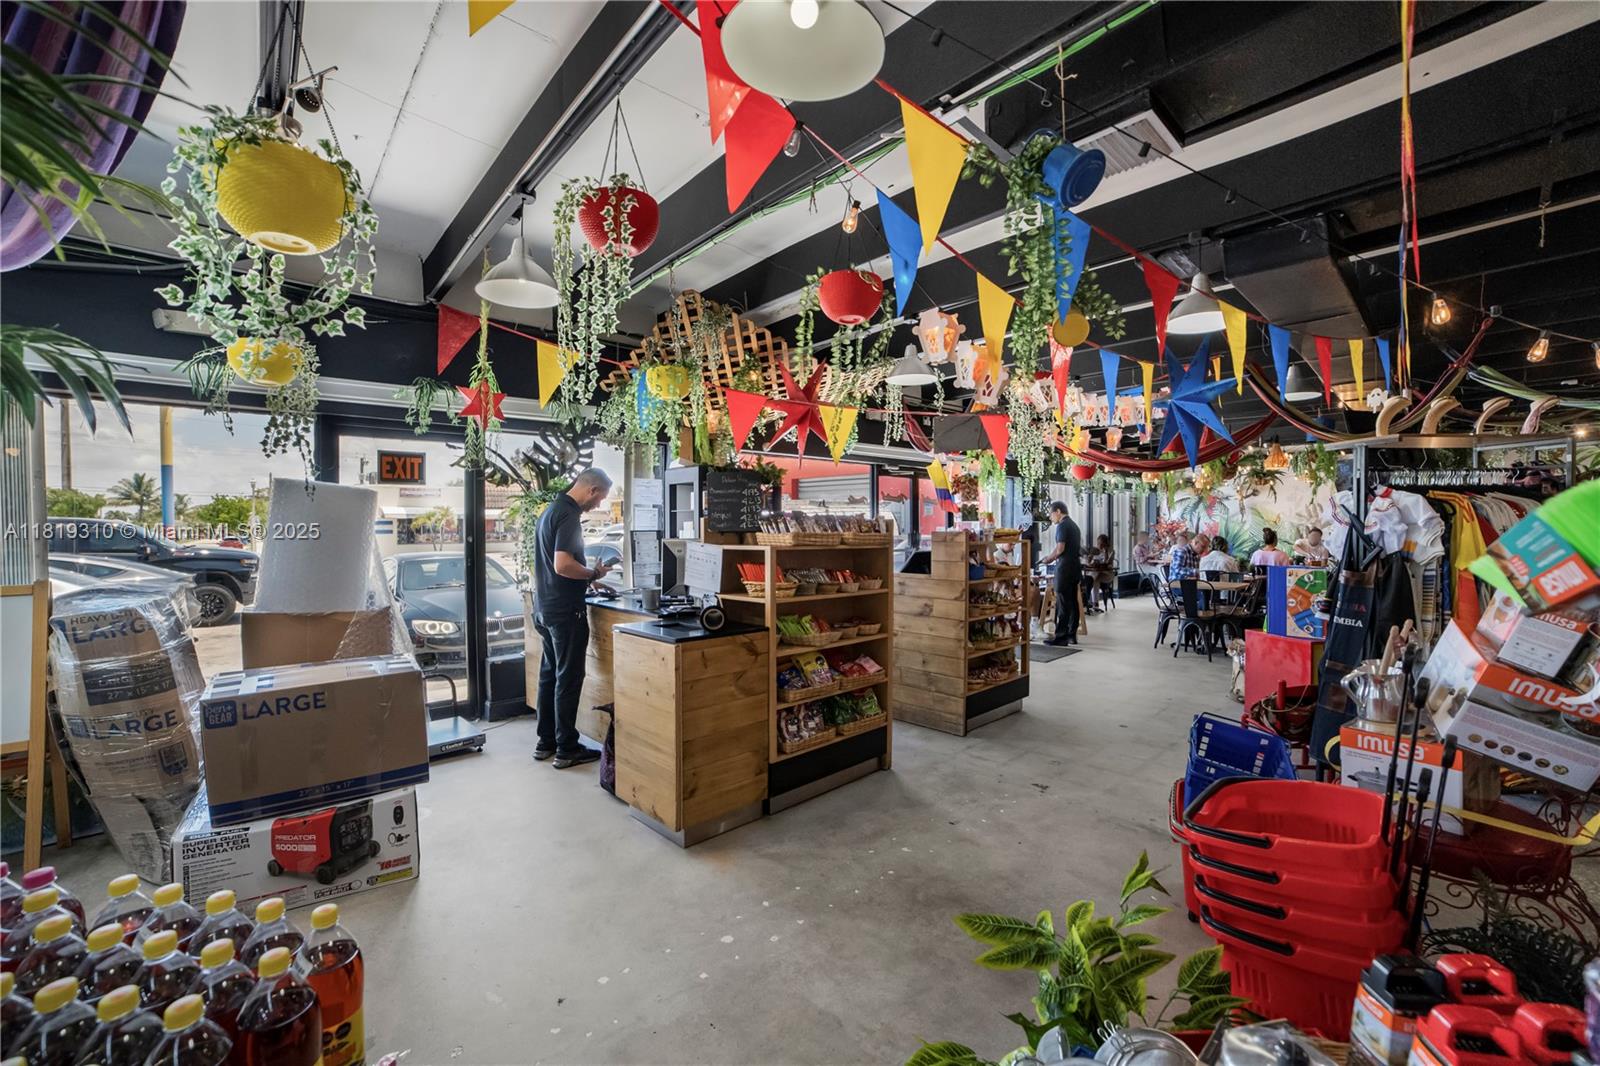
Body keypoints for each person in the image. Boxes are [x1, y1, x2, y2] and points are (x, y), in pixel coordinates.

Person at [531, 468, 615, 768]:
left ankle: (546, 742)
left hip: (545, 607)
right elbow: (563, 565)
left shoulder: (550, 511)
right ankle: (567, 748)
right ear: (592, 490)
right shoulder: (569, 514)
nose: (599, 504)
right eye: (600, 498)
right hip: (565, 611)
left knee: (550, 675)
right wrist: (592, 573)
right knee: (568, 678)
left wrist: (588, 580)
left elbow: (555, 567)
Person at [1038, 501, 1081, 646]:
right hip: (1075, 567)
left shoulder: (1062, 526)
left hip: (1065, 568)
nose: (1051, 518)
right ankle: (1071, 635)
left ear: (1058, 511)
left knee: (1063, 602)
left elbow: (1060, 549)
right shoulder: (1074, 526)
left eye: (1051, 514)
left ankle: (1061, 636)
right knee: (1073, 602)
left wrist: (1048, 559)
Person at [1087, 534, 1116, 610]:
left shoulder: (1110, 551)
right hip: (1097, 573)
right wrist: (1090, 558)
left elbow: (1107, 563)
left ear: (1106, 544)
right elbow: (1089, 563)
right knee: (1092, 579)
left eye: (1102, 544)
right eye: (1098, 543)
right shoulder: (1095, 551)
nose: (1099, 545)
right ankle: (1092, 603)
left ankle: (1092, 602)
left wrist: (1105, 552)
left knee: (1094, 579)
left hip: (1107, 574)